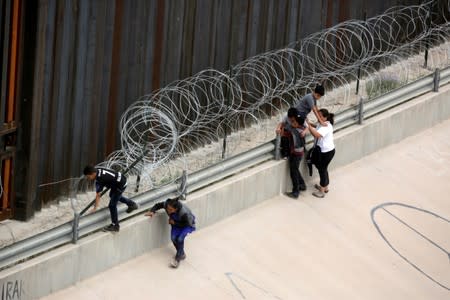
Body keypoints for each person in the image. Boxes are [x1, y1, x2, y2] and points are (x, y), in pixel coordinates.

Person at [83, 165, 138, 232]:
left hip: (120, 185)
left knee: (112, 205)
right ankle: (132, 204)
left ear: (93, 174)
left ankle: (115, 226)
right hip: (119, 181)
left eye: (88, 176)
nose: (88, 178)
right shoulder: (97, 170)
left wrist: (95, 208)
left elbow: (98, 195)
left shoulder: (100, 179)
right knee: (112, 195)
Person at [145, 197, 196, 268]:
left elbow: (187, 224)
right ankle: (181, 253)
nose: (168, 211)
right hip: (175, 223)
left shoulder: (184, 213)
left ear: (176, 209)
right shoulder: (167, 204)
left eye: (171, 210)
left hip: (185, 225)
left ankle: (177, 259)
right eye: (168, 209)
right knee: (173, 238)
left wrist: (174, 223)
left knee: (180, 239)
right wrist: (152, 211)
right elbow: (158, 205)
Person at [306, 109, 336, 198]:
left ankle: (322, 191)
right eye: (317, 115)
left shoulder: (326, 126)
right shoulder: (322, 123)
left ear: (325, 117)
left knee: (322, 170)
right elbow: (316, 127)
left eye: (320, 116)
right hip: (324, 151)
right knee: (323, 169)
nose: (318, 117)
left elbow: (317, 135)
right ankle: (325, 187)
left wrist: (308, 126)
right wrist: (309, 123)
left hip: (326, 152)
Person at [284, 109, 308, 199]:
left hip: (296, 154)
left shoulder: (296, 131)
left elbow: (287, 135)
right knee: (295, 169)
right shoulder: (301, 128)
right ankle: (302, 185)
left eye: (293, 122)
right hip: (299, 153)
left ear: (298, 123)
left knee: (293, 172)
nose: (291, 123)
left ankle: (295, 192)